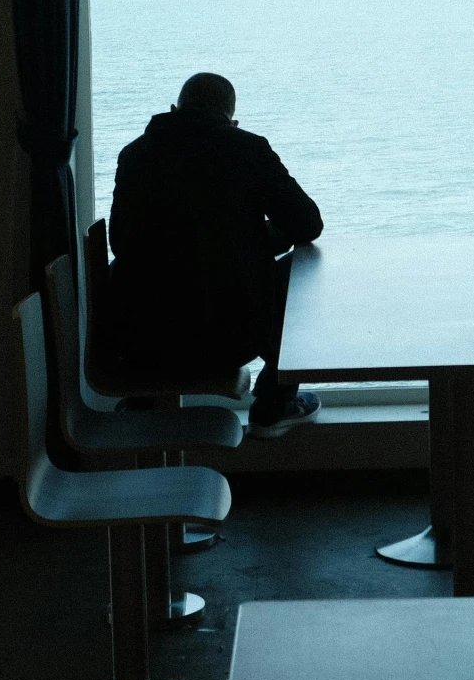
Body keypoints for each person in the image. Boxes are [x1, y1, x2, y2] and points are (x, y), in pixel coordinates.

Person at [106, 72, 324, 437]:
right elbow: (307, 224)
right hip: (227, 341)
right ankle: (274, 402)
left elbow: (121, 243)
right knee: (303, 270)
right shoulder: (248, 149)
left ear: (174, 109)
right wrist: (264, 241)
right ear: (232, 120)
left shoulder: (135, 155)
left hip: (142, 344)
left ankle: (143, 401)